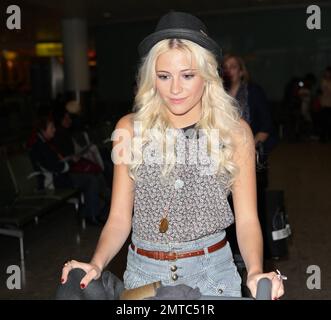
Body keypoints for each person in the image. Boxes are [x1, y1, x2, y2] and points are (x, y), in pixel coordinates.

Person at [58, 11, 285, 299]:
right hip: (144, 277)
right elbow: (118, 217)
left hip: (211, 274)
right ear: (152, 78)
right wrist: (96, 263)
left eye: (188, 75)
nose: (175, 89)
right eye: (164, 76)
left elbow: (248, 219)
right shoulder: (129, 129)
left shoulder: (235, 132)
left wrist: (254, 270)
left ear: (207, 75)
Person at [28, 112, 108, 225]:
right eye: (51, 127)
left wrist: (68, 161)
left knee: (92, 177)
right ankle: (91, 214)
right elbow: (54, 167)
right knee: (90, 180)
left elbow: (55, 163)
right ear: (43, 129)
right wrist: (70, 162)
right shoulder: (40, 146)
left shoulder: (44, 143)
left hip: (59, 176)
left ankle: (94, 210)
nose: (54, 130)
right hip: (52, 181)